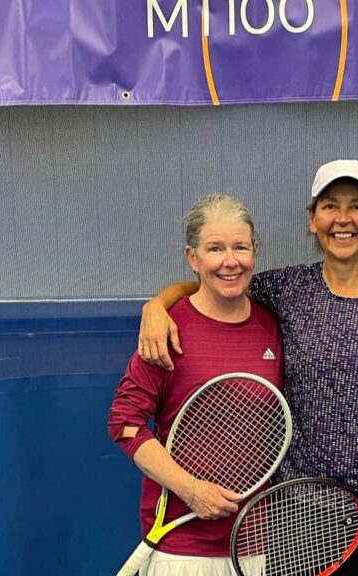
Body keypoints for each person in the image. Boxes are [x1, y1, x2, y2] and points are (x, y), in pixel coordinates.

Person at [138, 159, 358, 575]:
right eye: (330, 206)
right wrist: (157, 306)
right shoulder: (284, 289)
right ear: (312, 220)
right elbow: (212, 283)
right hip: (298, 512)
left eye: (357, 206)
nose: (343, 219)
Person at [108, 194, 283, 575]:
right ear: (193, 258)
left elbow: (303, 404)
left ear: (255, 250)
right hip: (179, 550)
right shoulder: (166, 329)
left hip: (253, 548)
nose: (230, 261)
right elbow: (126, 425)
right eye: (214, 249)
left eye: (240, 247)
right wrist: (192, 491)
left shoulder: (274, 326)